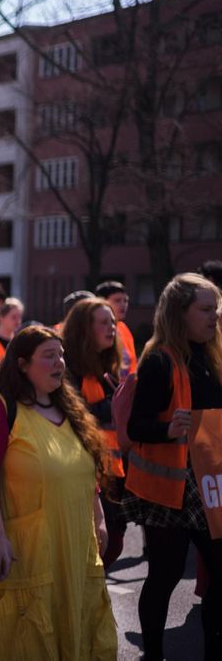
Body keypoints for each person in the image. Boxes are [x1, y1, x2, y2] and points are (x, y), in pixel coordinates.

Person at [0, 325, 117, 659]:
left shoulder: (72, 412)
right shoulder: (4, 409)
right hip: (27, 551)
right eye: (49, 356)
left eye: (61, 355)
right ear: (22, 365)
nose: (59, 362)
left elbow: (86, 470)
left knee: (80, 628)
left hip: (75, 548)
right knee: (29, 637)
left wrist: (100, 516)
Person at [121, 273, 222, 659]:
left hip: (210, 483)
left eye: (216, 308)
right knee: (164, 576)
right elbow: (135, 427)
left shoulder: (213, 355)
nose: (214, 316)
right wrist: (167, 428)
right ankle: (154, 653)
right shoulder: (160, 361)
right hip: (171, 490)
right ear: (180, 313)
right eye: (206, 309)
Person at [62, 297, 127, 567]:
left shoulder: (107, 366)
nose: (112, 327)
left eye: (113, 321)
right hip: (84, 473)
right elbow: (74, 417)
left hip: (114, 470)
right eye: (103, 322)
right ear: (84, 329)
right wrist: (111, 405)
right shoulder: (67, 369)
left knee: (114, 541)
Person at [95, 281, 138, 378]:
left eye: (125, 301)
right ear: (102, 302)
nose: (123, 305)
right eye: (117, 300)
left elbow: (132, 364)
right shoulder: (94, 330)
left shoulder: (123, 328)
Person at [0, 297, 23, 364]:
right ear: (1, 317)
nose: (18, 321)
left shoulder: (18, 342)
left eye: (19, 317)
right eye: (14, 317)